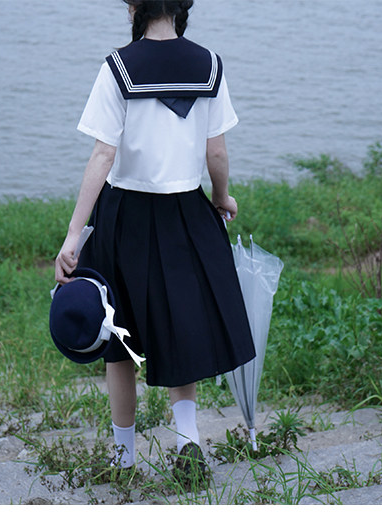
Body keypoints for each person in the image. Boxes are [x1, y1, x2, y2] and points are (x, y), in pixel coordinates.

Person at [54, 0, 255, 480]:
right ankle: (188, 442)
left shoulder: (118, 67)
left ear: (134, 7)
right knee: (180, 326)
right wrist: (221, 197)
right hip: (185, 213)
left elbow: (103, 156)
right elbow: (216, 152)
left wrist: (74, 234)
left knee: (118, 338)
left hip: (124, 216)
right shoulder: (209, 65)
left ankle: (123, 457)